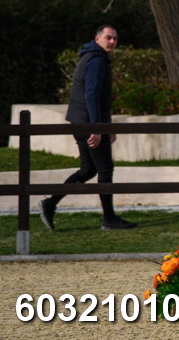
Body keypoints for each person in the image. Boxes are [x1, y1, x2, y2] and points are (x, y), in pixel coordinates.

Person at [39, 25, 137, 231]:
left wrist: (105, 125)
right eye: (108, 38)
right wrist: (97, 127)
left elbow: (99, 98)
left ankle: (50, 203)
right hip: (88, 123)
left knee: (88, 170)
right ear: (97, 38)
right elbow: (91, 94)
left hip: (81, 122)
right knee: (105, 169)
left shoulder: (90, 56)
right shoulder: (97, 60)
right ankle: (109, 219)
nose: (112, 42)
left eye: (115, 38)